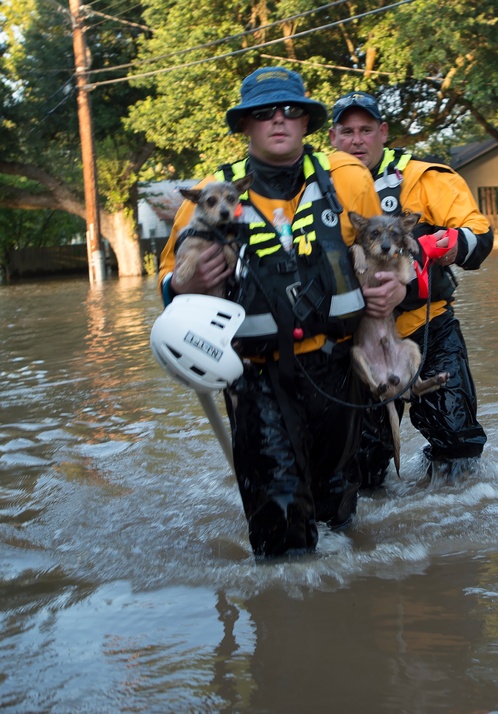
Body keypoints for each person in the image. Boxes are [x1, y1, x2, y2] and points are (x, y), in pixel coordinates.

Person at [157, 67, 404, 556]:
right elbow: (168, 287)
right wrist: (184, 282)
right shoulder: (212, 194)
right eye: (263, 112)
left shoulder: (348, 178)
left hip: (337, 370)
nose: (278, 119)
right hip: (255, 378)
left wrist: (395, 289)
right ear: (245, 125)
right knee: (282, 532)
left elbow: (388, 257)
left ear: (307, 122)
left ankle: (344, 621)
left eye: (291, 110)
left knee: (338, 515)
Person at [329, 91, 493, 487]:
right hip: (356, 339)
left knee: (457, 441)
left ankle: (456, 525)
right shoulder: (314, 185)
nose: (357, 140)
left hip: (427, 327)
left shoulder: (423, 177)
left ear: (383, 132)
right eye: (347, 131)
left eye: (366, 130)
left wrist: (440, 246)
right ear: (332, 138)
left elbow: (480, 234)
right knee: (362, 466)